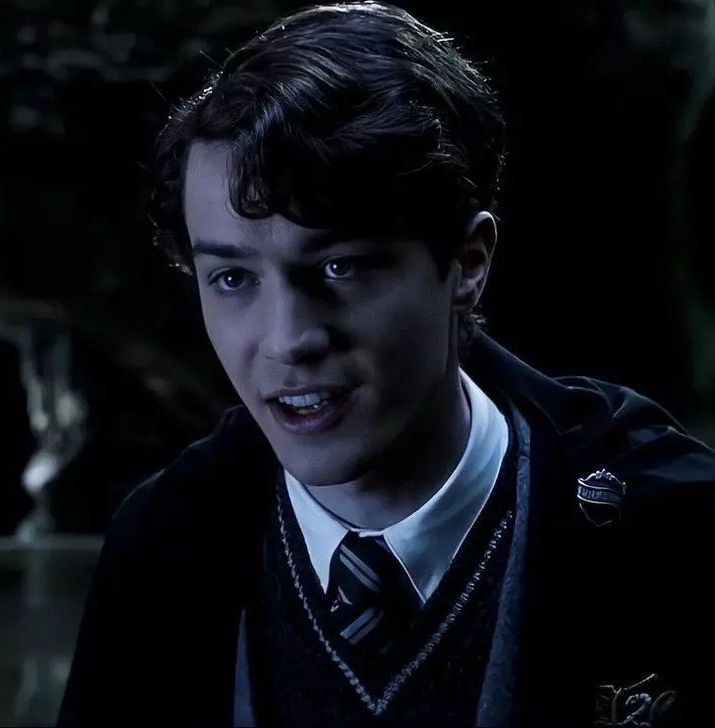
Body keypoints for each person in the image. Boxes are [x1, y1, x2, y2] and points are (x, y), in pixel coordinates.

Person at [57, 3, 715, 726]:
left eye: (340, 267)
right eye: (234, 278)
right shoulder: (165, 542)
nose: (288, 340)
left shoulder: (669, 532)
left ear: (467, 264)